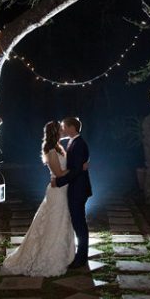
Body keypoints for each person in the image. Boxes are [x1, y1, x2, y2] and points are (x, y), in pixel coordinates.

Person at [0, 121, 75, 277]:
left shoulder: (58, 147)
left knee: (63, 221)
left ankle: (65, 256)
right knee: (55, 222)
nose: (63, 131)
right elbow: (59, 174)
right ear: (55, 133)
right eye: (61, 130)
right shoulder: (51, 150)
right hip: (57, 191)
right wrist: (76, 168)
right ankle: (48, 259)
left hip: (64, 189)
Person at [52, 116, 92, 270]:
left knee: (79, 224)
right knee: (78, 223)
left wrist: (59, 182)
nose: (63, 129)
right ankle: (80, 255)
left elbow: (76, 171)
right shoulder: (72, 142)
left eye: (64, 126)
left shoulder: (79, 144)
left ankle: (81, 258)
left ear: (72, 127)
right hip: (76, 188)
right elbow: (76, 166)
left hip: (78, 190)